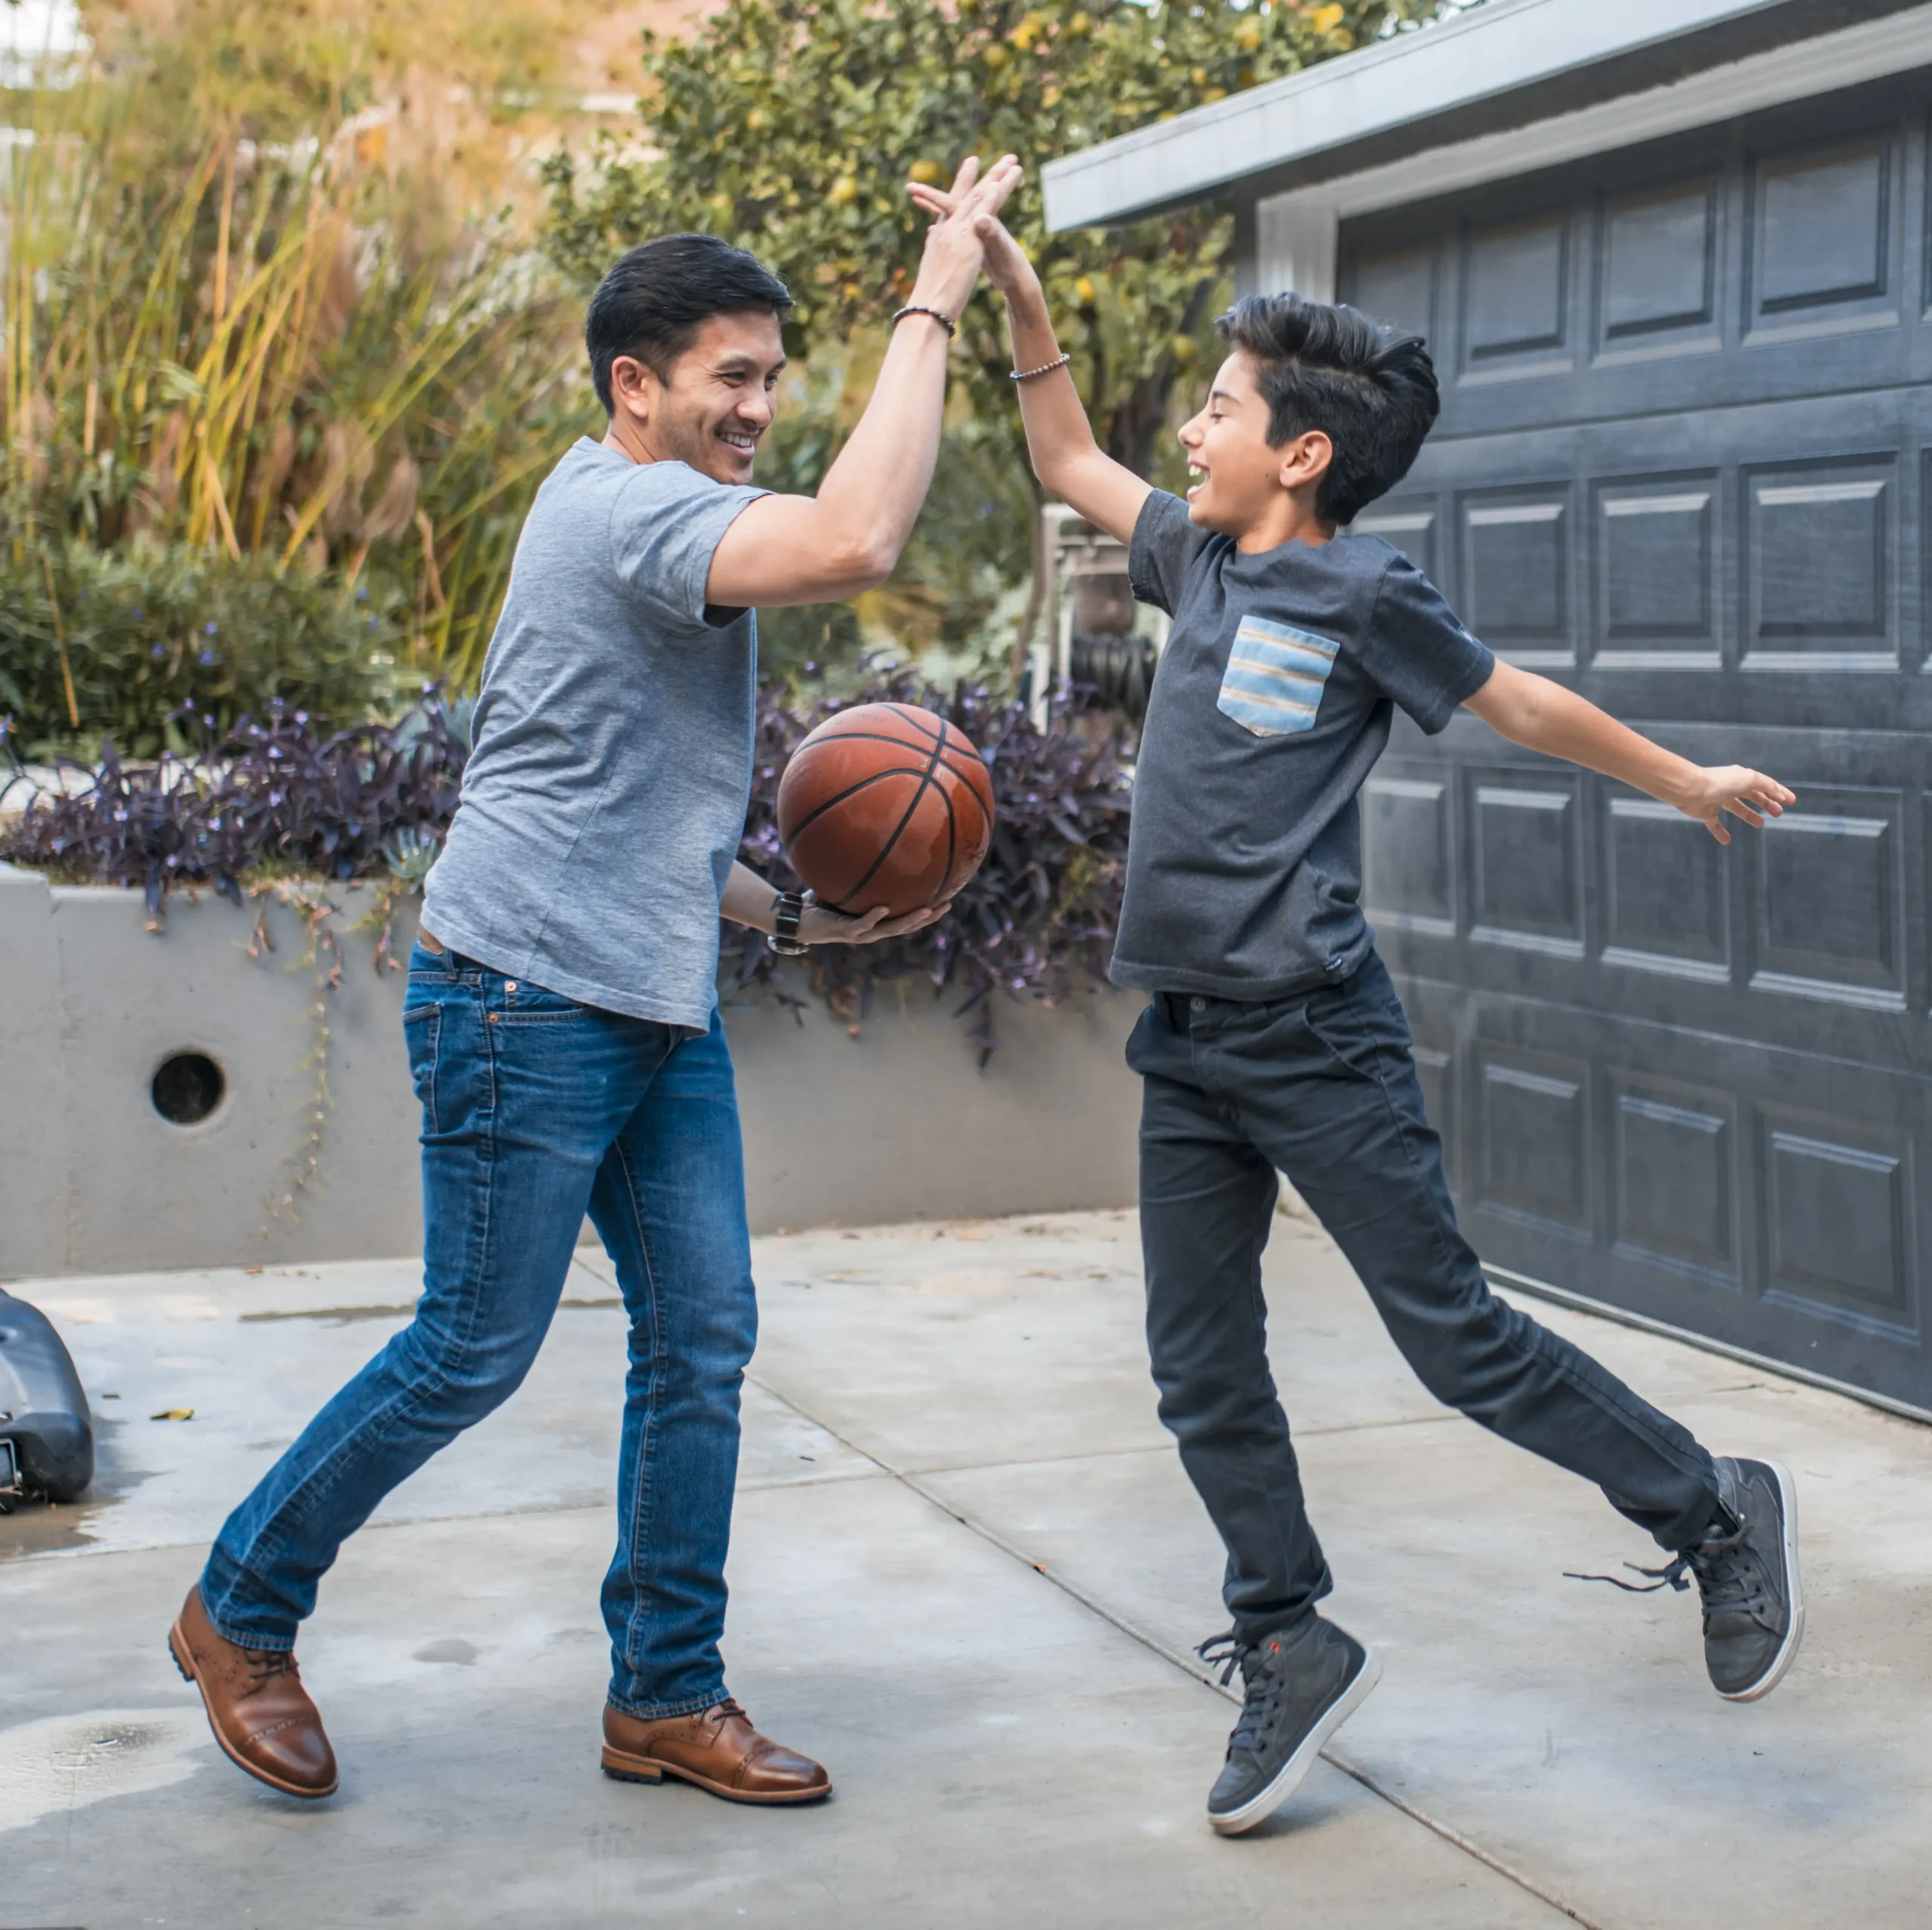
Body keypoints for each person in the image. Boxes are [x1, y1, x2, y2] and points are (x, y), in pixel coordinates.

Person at [917, 185, 1804, 1838]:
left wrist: (1681, 777)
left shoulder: (1368, 596)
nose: (1192, 431)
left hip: (1317, 1033)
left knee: (1452, 1337)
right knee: (1198, 1365)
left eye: (1220, 408)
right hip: (1188, 1041)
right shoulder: (1191, 555)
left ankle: (1714, 1510)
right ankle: (1286, 1634)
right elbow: (1062, 455)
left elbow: (1516, 701)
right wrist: (1015, 295)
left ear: (1302, 453)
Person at [168, 153, 1022, 1807]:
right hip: (521, 999)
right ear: (634, 386)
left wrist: (794, 919)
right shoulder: (625, 512)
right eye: (732, 376)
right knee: (470, 1350)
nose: (758, 406)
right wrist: (936, 298)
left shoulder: (657, 517)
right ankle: (239, 1608)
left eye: (773, 377)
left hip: (644, 999)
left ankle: (665, 1694)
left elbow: (639, 808)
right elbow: (858, 537)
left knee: (701, 1339)